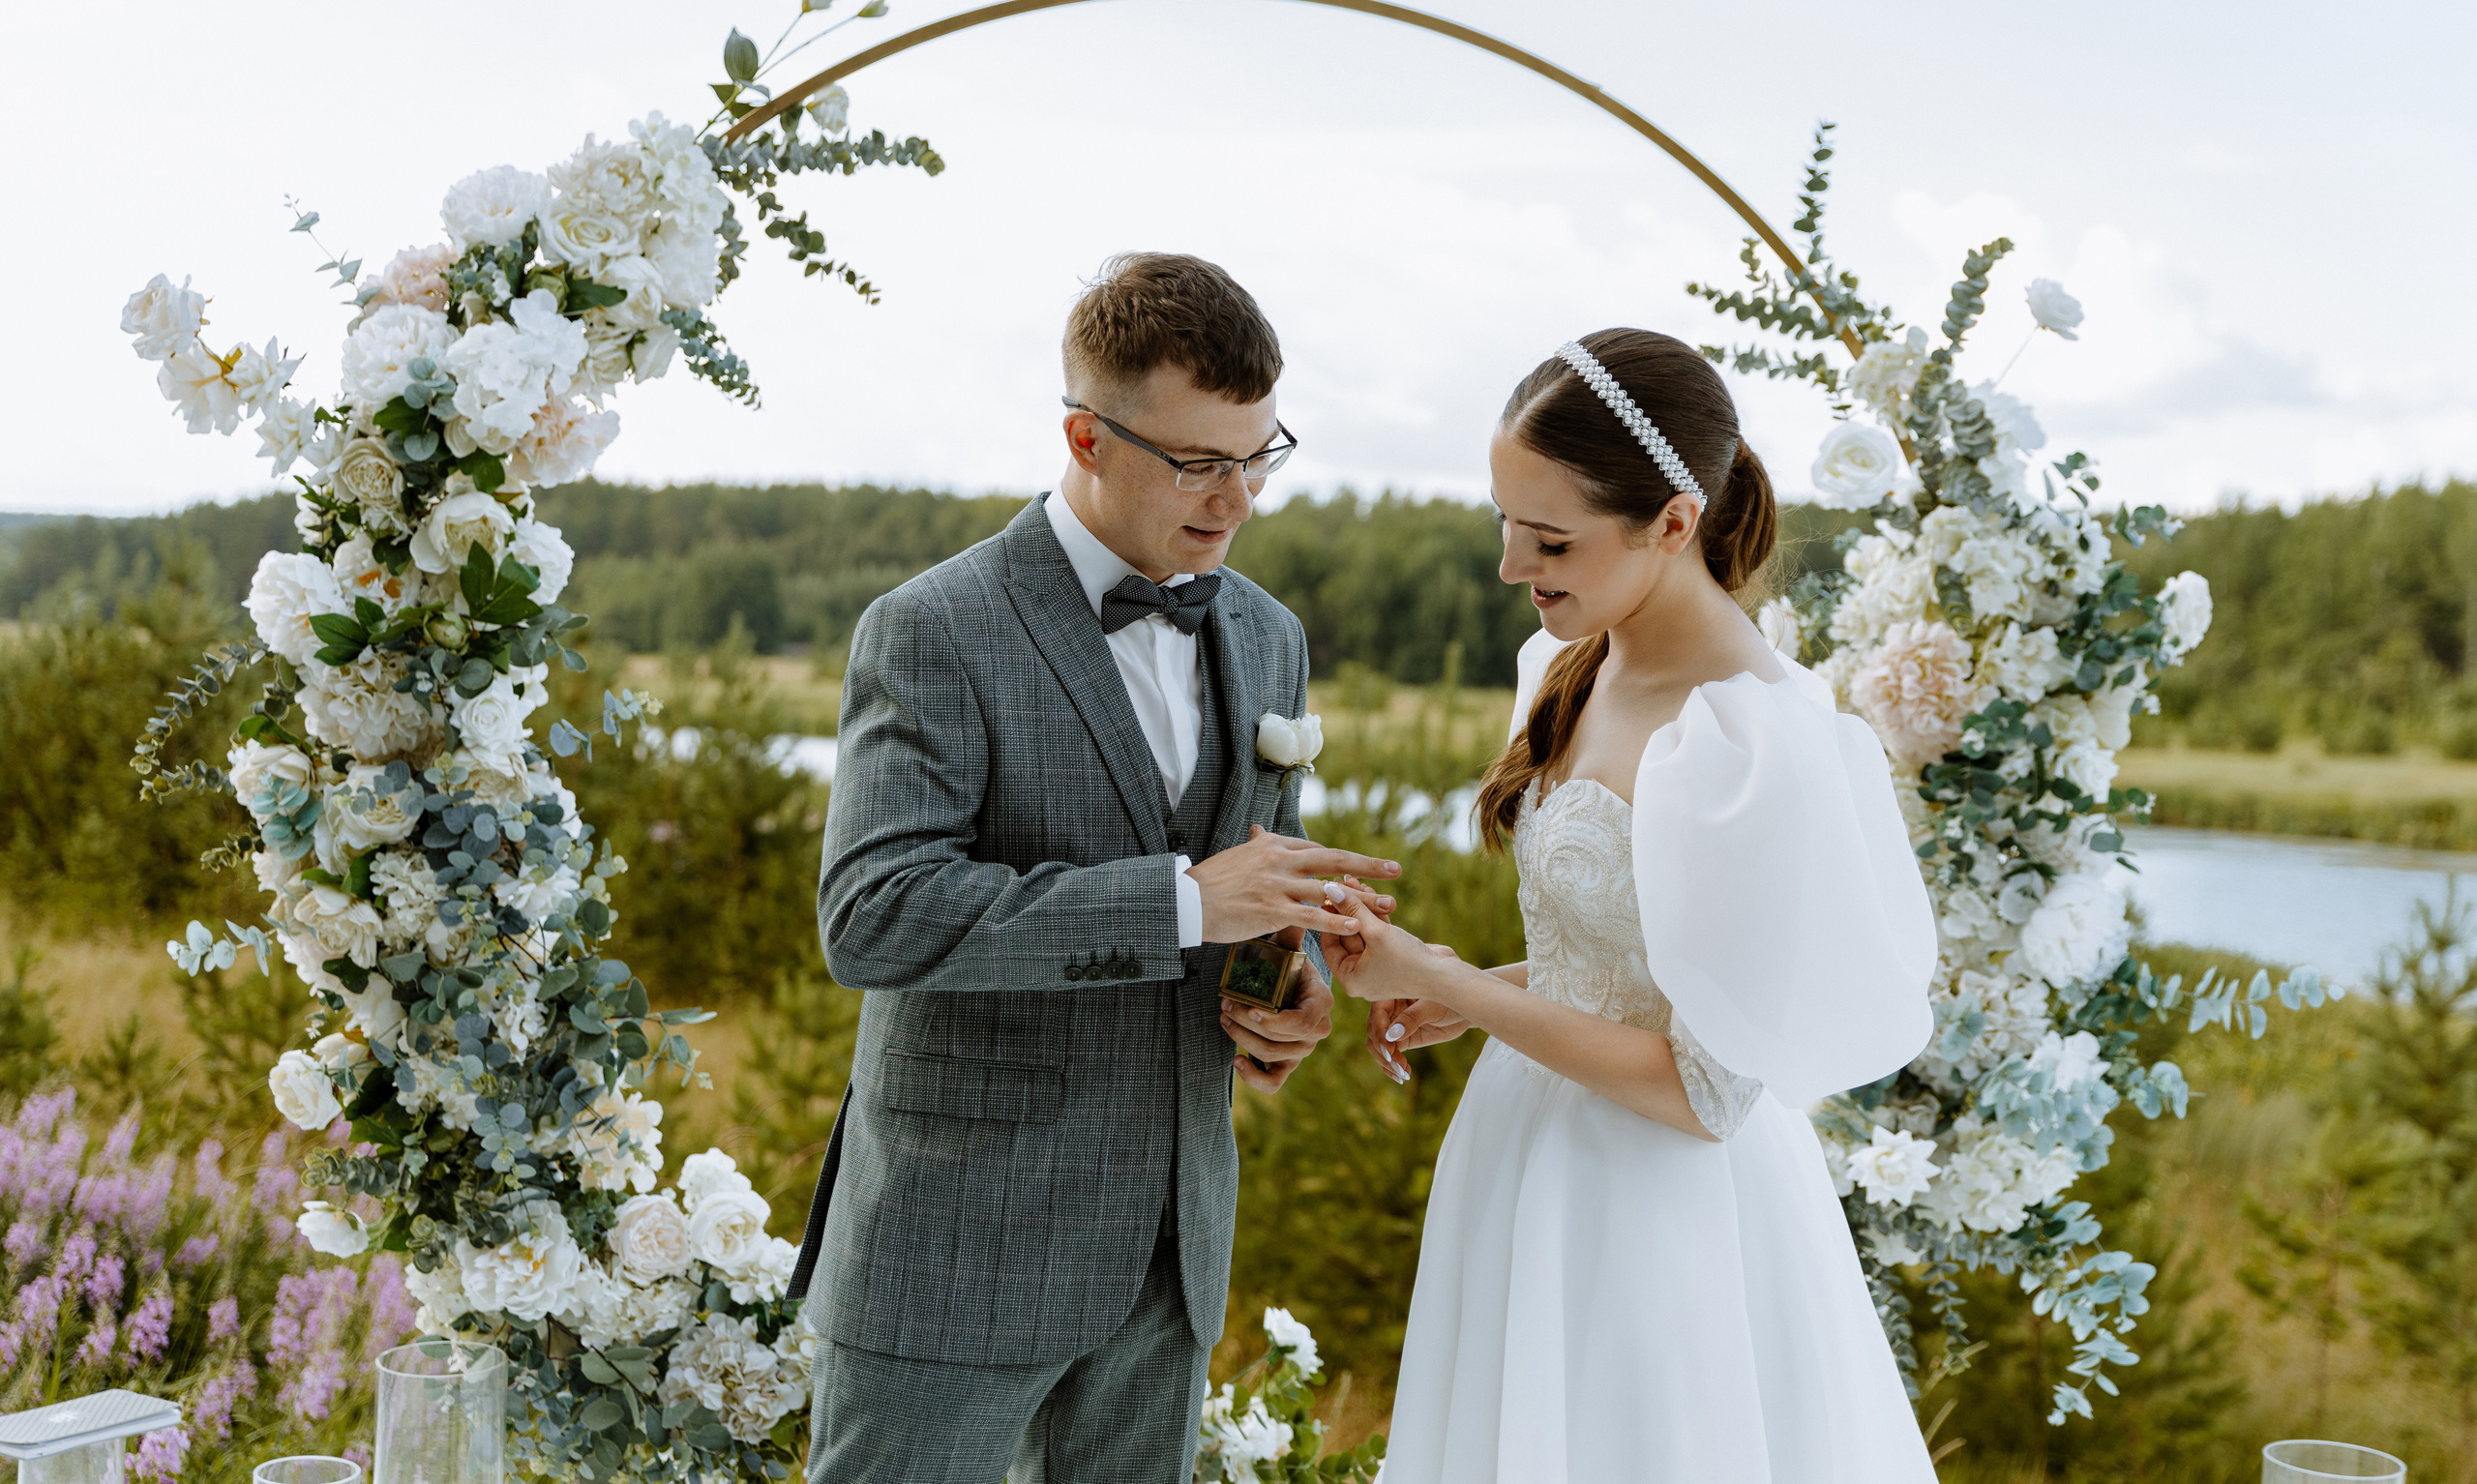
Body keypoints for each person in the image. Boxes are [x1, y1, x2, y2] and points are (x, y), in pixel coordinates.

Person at [793, 252, 1403, 1484]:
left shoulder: (1266, 633)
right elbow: (873, 917)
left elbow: (1246, 890)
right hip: (956, 1250)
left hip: (1171, 1257)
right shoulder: (933, 629)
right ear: (1084, 434)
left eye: (1257, 457)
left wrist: (1282, 985)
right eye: (1196, 464)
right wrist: (1182, 901)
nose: (1235, 503)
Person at [1330, 330, 1941, 1482]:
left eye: (1550, 539)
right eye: (1504, 525)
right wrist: (1483, 993)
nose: (1513, 566)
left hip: (1655, 1217)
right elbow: (1645, 965)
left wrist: (1450, 980)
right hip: (1527, 1163)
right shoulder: (1573, 662)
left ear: (1673, 520)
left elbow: (1705, 1087)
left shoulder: (1753, 739)